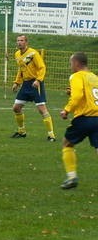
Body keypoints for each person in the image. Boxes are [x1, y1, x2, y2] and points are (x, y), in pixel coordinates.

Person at [59, 52, 98, 189]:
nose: (71, 66)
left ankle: (71, 178)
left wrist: (66, 110)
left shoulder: (76, 76)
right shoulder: (94, 77)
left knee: (67, 143)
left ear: (76, 63)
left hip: (84, 117)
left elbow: (78, 95)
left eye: (71, 63)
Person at [10, 34, 56, 141]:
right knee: (16, 108)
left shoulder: (33, 53)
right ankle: (22, 132)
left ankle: (51, 135)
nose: (19, 42)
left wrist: (38, 80)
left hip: (35, 83)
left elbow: (42, 67)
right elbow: (21, 70)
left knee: (42, 110)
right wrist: (17, 82)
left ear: (26, 42)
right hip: (26, 84)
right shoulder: (17, 54)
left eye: (21, 40)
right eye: (17, 40)